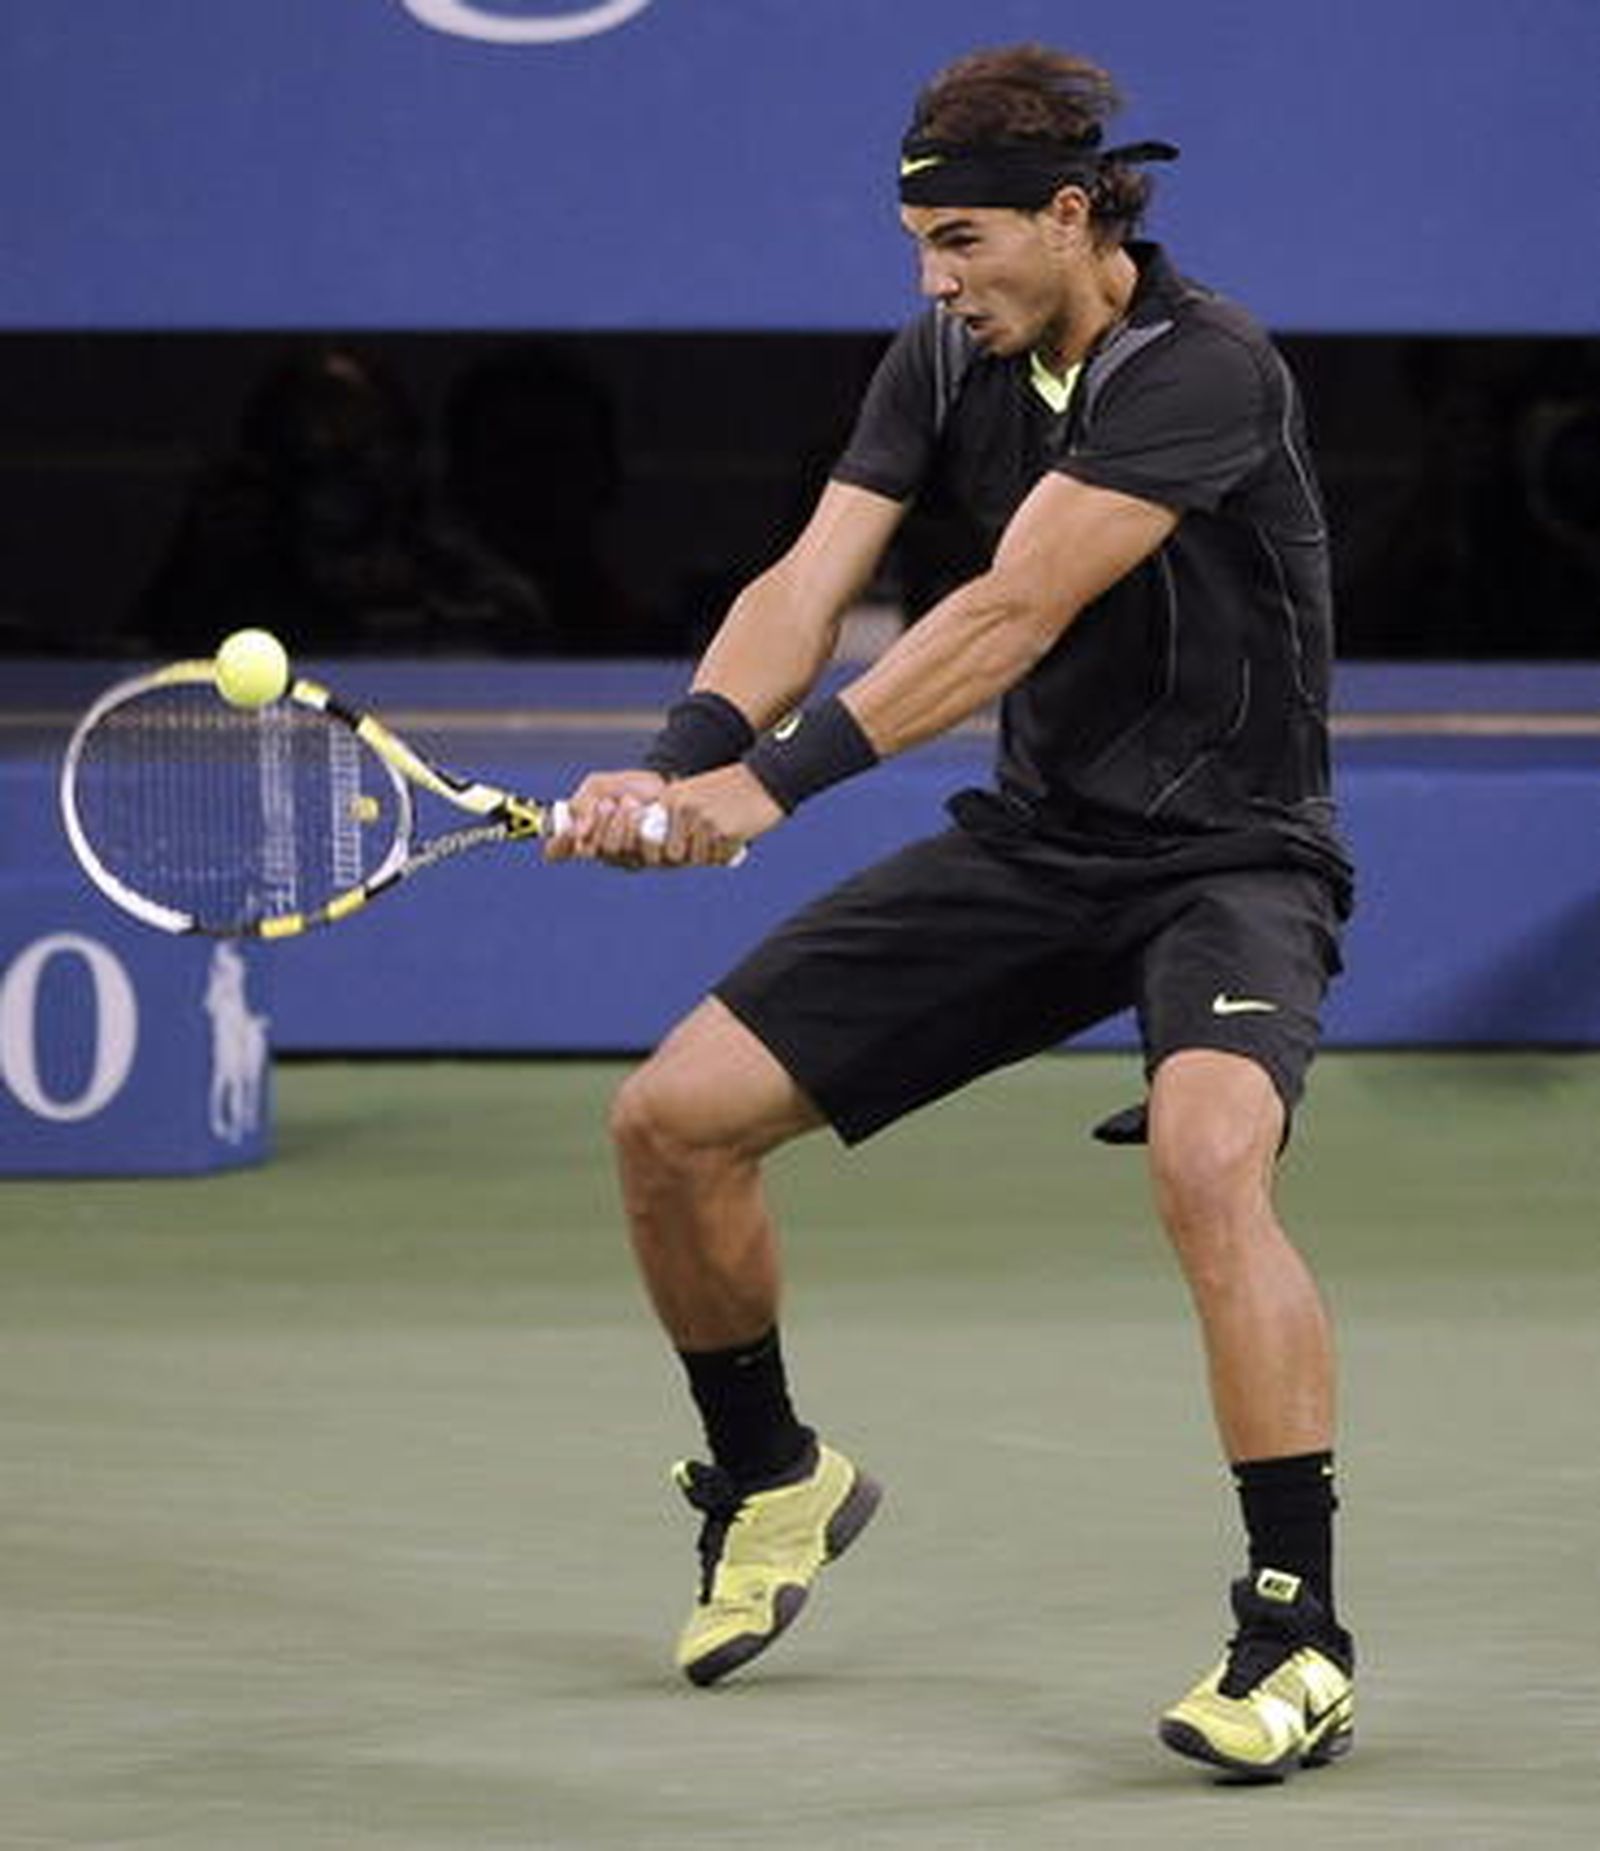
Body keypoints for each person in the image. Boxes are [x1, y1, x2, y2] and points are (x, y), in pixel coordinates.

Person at [550, 43, 1356, 1782]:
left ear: (1074, 216)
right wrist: (678, 754)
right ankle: (772, 1475)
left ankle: (1295, 1635)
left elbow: (1003, 614)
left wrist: (764, 791)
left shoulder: (1201, 371)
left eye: (968, 242)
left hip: (1230, 857)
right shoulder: (941, 354)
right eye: (921, 244)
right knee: (670, 1125)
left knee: (1210, 1159)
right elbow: (809, 577)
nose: (937, 279)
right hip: (1040, 845)